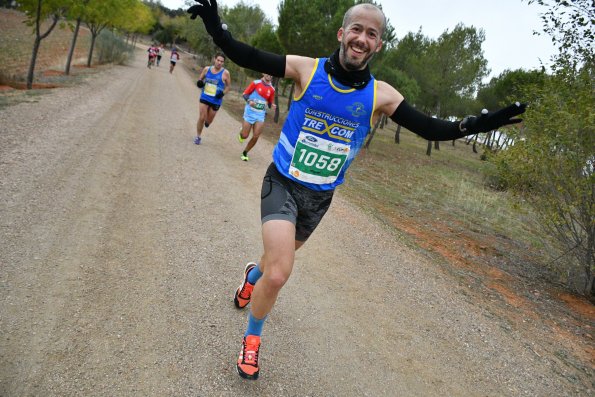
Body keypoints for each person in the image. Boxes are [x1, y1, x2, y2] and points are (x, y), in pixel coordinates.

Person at [188, 0, 526, 380]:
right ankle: (252, 340)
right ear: (341, 34)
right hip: (282, 181)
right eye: (356, 30)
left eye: (372, 33)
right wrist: (217, 29)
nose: (362, 38)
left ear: (378, 44)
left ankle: (251, 279)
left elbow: (431, 128)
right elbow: (246, 54)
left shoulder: (381, 96)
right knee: (280, 273)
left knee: (270, 265)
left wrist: (474, 126)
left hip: (319, 199)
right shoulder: (307, 69)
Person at [237, 73, 276, 161]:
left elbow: (270, 103)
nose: (269, 75)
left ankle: (245, 153)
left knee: (256, 135)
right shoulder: (256, 83)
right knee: (245, 135)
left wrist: (272, 105)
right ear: (263, 73)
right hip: (250, 112)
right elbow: (245, 94)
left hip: (260, 114)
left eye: (271, 74)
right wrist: (249, 101)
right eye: (267, 73)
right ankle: (241, 133)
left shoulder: (272, 89)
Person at [194, 53, 231, 145]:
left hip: (216, 100)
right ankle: (198, 136)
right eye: (218, 60)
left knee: (208, 120)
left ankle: (208, 122)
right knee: (202, 117)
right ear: (214, 59)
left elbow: (228, 87)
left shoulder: (226, 73)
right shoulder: (207, 69)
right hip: (205, 96)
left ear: (223, 63)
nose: (219, 63)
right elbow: (200, 79)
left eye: (221, 61)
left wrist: (222, 93)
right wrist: (199, 83)